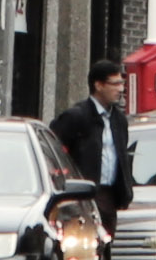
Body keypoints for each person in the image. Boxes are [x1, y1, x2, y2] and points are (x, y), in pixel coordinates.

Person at [58, 58, 140, 219]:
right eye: (115, 84)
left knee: (108, 242)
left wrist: (125, 192)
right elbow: (55, 151)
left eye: (121, 83)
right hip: (82, 196)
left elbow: (122, 158)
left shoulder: (119, 120)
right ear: (98, 85)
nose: (121, 89)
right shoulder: (76, 116)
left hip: (110, 196)